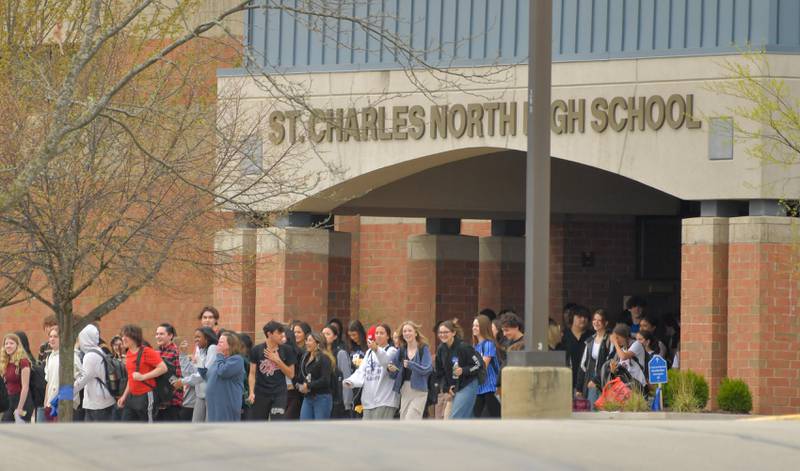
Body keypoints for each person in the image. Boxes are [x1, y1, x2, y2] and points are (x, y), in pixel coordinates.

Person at [343, 323, 399, 420]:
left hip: (385, 400)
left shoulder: (392, 350)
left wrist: (377, 349)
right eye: (377, 333)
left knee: (380, 433)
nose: (378, 335)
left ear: (388, 336)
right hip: (369, 401)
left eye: (382, 333)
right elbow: (361, 371)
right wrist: (351, 381)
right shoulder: (369, 352)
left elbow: (385, 361)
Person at [117, 325, 167, 422]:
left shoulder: (146, 351)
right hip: (131, 397)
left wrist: (143, 377)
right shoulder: (128, 353)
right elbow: (131, 378)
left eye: (126, 336)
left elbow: (163, 368)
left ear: (135, 337)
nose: (123, 339)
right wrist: (124, 396)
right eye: (122, 336)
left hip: (145, 395)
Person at [248, 321, 297, 421]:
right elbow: (252, 373)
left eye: (282, 332)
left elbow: (291, 374)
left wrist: (277, 361)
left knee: (277, 423)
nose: (282, 335)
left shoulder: (287, 350)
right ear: (269, 334)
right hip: (261, 392)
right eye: (279, 333)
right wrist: (251, 392)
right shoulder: (256, 350)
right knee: (259, 424)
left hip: (279, 393)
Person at [437, 319, 482, 419]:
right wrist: (446, 388)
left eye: (446, 332)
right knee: (467, 417)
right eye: (440, 332)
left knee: (455, 417)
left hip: (468, 384)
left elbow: (478, 365)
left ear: (453, 333)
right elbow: (440, 373)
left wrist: (463, 370)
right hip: (453, 387)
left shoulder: (464, 347)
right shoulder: (441, 349)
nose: (442, 335)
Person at [73, 324, 117, 422]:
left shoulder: (90, 356)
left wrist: (64, 393)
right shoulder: (99, 351)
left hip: (98, 405)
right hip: (103, 401)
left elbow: (82, 380)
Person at [391, 321, 432, 420]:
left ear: (416, 333)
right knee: (403, 419)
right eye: (404, 331)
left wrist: (411, 365)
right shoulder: (401, 350)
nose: (407, 333)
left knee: (411, 419)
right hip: (405, 389)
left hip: (419, 390)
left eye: (410, 330)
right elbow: (393, 371)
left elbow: (427, 369)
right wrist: (391, 369)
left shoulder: (423, 349)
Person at [577, 309, 614, 410]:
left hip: (605, 381)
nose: (596, 322)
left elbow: (610, 363)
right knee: (592, 410)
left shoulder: (610, 339)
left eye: (599, 320)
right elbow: (583, 366)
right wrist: (579, 388)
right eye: (594, 319)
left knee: (603, 411)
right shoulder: (590, 341)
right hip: (591, 381)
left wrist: (596, 380)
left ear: (605, 323)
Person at [43, 326, 81, 422]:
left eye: (56, 336)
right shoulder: (50, 357)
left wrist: (64, 399)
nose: (52, 339)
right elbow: (48, 382)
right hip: (50, 405)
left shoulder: (71, 355)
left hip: (65, 405)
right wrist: (46, 403)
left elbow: (79, 380)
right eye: (50, 336)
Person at [206, 331, 246, 422]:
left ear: (230, 345)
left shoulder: (237, 359)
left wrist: (219, 355)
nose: (218, 344)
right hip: (214, 403)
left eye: (221, 342)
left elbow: (223, 372)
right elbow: (209, 376)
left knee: (226, 429)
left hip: (227, 402)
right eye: (218, 342)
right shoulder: (219, 359)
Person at [180, 327, 218, 422]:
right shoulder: (200, 351)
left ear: (207, 338)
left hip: (211, 394)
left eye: (198, 337)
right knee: (196, 424)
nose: (195, 340)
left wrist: (183, 382)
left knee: (208, 426)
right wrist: (183, 355)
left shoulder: (212, 348)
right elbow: (190, 372)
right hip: (200, 394)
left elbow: (205, 372)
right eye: (195, 337)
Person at [298, 332, 335, 420]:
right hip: (308, 397)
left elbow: (325, 380)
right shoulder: (305, 357)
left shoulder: (324, 358)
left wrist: (308, 385)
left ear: (318, 343)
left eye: (310, 340)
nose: (306, 343)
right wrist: (301, 385)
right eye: (306, 340)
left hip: (322, 397)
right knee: (304, 425)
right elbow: (303, 375)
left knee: (319, 428)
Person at [472, 315, 500, 418]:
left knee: (492, 417)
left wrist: (466, 370)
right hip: (479, 387)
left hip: (490, 387)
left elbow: (483, 365)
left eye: (477, 326)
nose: (474, 328)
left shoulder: (488, 344)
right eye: (473, 325)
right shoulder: (476, 346)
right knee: (478, 417)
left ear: (484, 327)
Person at [322, 323, 352, 418]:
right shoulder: (318, 354)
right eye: (323, 334)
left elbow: (346, 377)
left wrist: (347, 402)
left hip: (337, 399)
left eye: (328, 334)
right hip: (322, 398)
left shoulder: (340, 353)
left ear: (335, 337)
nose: (324, 337)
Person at [1, 333, 34, 422]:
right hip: (10, 401)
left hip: (22, 401)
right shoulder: (6, 363)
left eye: (11, 343)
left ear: (17, 345)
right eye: (6, 344)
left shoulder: (23, 362)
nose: (8, 346)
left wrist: (19, 408)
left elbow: (25, 387)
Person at [155, 323, 183, 421]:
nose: (158, 336)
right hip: (158, 401)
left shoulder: (176, 352)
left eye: (161, 334)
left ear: (170, 336)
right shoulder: (156, 352)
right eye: (157, 334)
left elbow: (179, 377)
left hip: (172, 402)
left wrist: (168, 395)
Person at [563, 305, 593, 394]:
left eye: (585, 317)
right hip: (568, 378)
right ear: (572, 318)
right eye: (579, 317)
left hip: (586, 379)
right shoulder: (564, 335)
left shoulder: (592, 336)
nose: (583, 319)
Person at [609, 324, 646, 389]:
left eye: (617, 337)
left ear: (624, 336)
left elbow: (623, 356)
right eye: (615, 338)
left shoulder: (637, 344)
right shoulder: (623, 350)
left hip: (639, 385)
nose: (617, 340)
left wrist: (615, 343)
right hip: (627, 386)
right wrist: (613, 370)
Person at [286, 320, 311, 419]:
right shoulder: (290, 349)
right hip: (290, 389)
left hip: (302, 389)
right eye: (294, 332)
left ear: (306, 334)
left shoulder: (307, 351)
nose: (296, 334)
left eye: (299, 332)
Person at [346, 320, 367, 418]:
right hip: (354, 384)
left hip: (365, 384)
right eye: (350, 335)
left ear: (360, 333)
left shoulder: (367, 346)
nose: (353, 338)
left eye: (354, 335)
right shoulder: (351, 348)